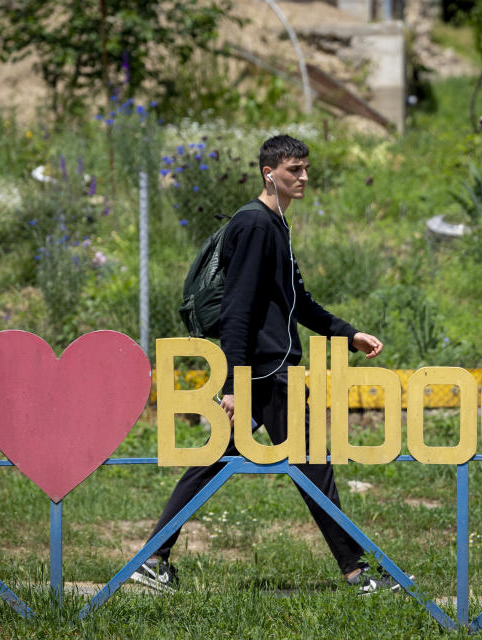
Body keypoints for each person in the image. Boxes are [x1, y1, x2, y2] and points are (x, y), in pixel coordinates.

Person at [132, 134, 402, 595]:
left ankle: (153, 559)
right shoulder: (256, 226)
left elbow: (299, 302)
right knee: (313, 462)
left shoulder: (276, 225)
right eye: (294, 170)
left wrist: (347, 334)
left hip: (265, 370)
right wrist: (235, 384)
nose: (304, 178)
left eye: (305, 169)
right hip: (267, 374)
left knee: (214, 460)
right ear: (268, 173)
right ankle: (358, 572)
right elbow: (238, 311)